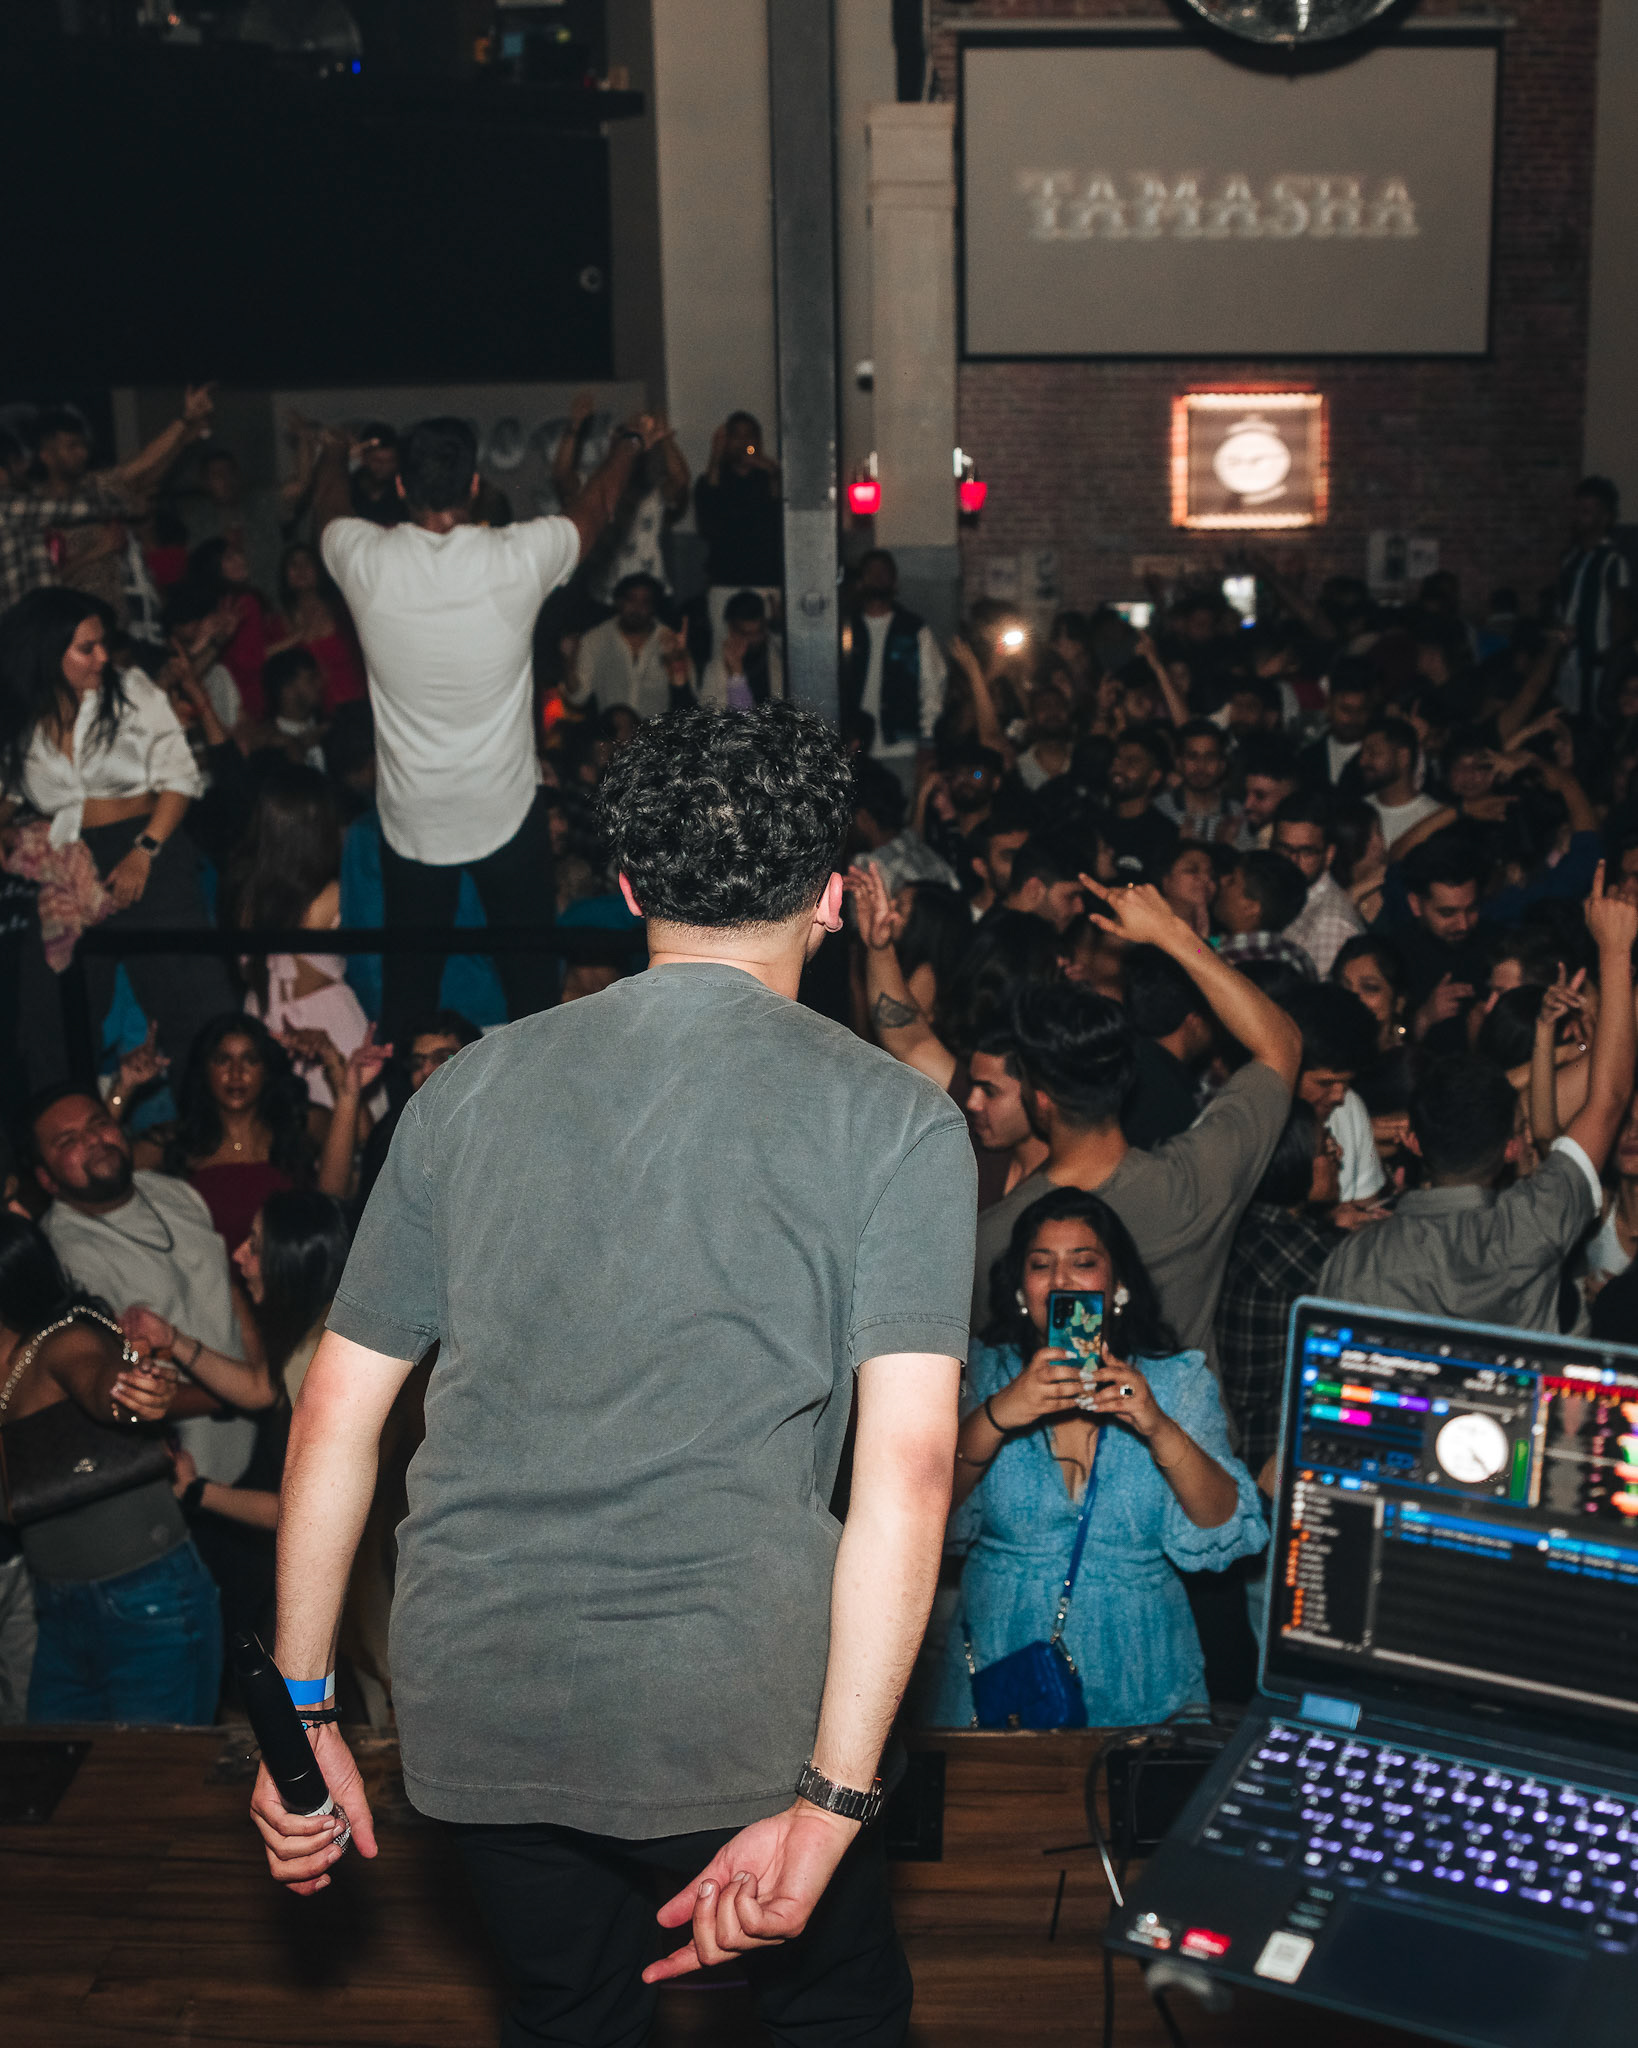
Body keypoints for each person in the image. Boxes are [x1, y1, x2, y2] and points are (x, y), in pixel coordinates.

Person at [250, 704, 975, 2042]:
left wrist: (304, 1714)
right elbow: (913, 1475)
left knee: (568, 2010)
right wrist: (832, 1805)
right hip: (737, 1704)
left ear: (631, 889)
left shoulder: (463, 1091)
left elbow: (333, 1417)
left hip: (481, 1693)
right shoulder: (899, 1120)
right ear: (831, 898)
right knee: (832, 2015)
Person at [316, 413, 667, 1049]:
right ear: (475, 485)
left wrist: (336, 452)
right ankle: (539, 1103)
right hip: (506, 814)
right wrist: (630, 443)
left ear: (401, 487)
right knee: (531, 991)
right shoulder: (515, 558)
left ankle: (404, 1103)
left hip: (413, 820)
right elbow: (598, 505)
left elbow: (330, 512)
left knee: (409, 996)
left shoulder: (363, 558)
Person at [933, 1188, 1266, 1728]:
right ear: (1021, 1289)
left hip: (1143, 1672)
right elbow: (926, 1511)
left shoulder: (1177, 1382)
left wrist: (1157, 1425)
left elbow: (1223, 1525)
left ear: (1119, 1285)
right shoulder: (981, 1375)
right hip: (1001, 1670)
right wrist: (997, 1415)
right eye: (1041, 1264)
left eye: (1083, 1262)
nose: (1061, 1280)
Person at [971, 883, 1302, 1375]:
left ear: (1039, 1100)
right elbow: (1282, 1044)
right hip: (1185, 1424)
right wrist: (1175, 936)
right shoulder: (1195, 1183)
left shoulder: (996, 1238)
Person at [1320, 864, 1638, 1327]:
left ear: (1413, 1141)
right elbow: (1608, 1101)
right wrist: (1615, 948)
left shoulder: (1355, 1257)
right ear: (1512, 1147)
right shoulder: (1534, 1221)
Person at [0, 588, 235, 1083]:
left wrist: (143, 851)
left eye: (103, 643)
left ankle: (216, 1121)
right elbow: (16, 790)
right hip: (69, 863)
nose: (102, 657)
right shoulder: (23, 714)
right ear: (47, 653)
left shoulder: (131, 691)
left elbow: (180, 777)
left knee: (193, 1006)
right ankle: (70, 1117)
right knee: (53, 1018)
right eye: (87, 648)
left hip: (148, 845)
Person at [0, 1212, 220, 1724]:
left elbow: (101, 1380)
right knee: (62, 1770)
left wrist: (132, 1393)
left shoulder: (60, 1342)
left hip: (147, 1601)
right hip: (57, 1611)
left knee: (157, 1773)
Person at [123, 1191, 350, 1651]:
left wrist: (196, 1491)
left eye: (255, 1245)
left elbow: (300, 1513)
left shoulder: (318, 1362)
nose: (238, 1254)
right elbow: (260, 1388)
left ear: (290, 1265)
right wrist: (171, 1339)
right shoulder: (321, 1326)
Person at [30, 1085, 258, 1486]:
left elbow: (229, 1289)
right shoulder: (60, 1257)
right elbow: (117, 1382)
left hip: (260, 1429)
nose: (93, 1140)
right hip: (188, 1473)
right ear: (46, 1179)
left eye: (98, 1123)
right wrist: (240, 1394)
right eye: (68, 1141)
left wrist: (261, 1377)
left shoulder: (173, 1191)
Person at [1216, 1103, 1345, 1477]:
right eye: (1325, 1147)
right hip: (1269, 1445)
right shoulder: (1296, 1249)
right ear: (1291, 1163)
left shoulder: (1242, 1225)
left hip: (1235, 1436)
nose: (1338, 1154)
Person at [28, 391, 216, 620]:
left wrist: (183, 430)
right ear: (47, 456)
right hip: (71, 623)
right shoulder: (32, 508)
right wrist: (99, 550)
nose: (82, 453)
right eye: (72, 446)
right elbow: (39, 584)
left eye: (83, 445)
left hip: (116, 617)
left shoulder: (93, 486)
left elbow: (143, 467)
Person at [553, 391, 691, 604]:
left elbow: (680, 479)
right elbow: (562, 476)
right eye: (625, 439)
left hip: (649, 596)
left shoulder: (652, 495)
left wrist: (664, 438)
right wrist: (574, 429)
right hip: (605, 596)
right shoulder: (594, 489)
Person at [353, 1009, 483, 1214]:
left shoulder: (492, 1124)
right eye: (417, 1063)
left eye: (442, 1058)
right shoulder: (395, 1132)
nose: (426, 1071)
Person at [840, 550, 947, 785]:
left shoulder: (914, 629)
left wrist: (928, 739)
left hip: (902, 747)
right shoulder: (845, 630)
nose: (878, 578)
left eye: (884, 572)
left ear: (894, 582)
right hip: (854, 747)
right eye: (871, 572)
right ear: (860, 582)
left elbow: (932, 684)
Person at [694, 411, 783, 650]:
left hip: (766, 579)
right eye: (736, 436)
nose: (743, 442)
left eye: (749, 435)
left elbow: (779, 521)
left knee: (772, 651)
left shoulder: (769, 476)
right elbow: (707, 524)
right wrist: (715, 456)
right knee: (723, 649)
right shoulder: (713, 479)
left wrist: (772, 473)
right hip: (725, 580)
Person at [567, 572, 689, 721]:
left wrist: (676, 660)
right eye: (631, 600)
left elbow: (687, 700)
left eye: (645, 602)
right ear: (619, 602)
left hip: (657, 733)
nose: (637, 608)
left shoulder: (669, 639)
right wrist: (569, 660)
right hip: (611, 733)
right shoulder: (596, 639)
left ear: (653, 607)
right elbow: (578, 698)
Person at [1557, 476, 1630, 717]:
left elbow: (1620, 615)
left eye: (1586, 512)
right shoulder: (1571, 559)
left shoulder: (1613, 561)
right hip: (1569, 660)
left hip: (1597, 663)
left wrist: (1612, 662)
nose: (1579, 517)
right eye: (1577, 510)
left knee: (1593, 720)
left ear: (1605, 518)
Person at [1272, 791, 1366, 977]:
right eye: (1284, 849)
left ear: (1329, 855)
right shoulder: (1278, 893)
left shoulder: (1331, 925)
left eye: (1306, 852)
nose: (1292, 860)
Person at [268, 542, 368, 710]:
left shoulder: (342, 612)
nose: (301, 569)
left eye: (307, 562)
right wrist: (296, 638)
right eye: (293, 564)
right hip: (308, 715)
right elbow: (261, 660)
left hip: (355, 706)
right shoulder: (276, 622)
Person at [1099, 728, 1179, 880]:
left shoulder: (1164, 835)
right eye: (1116, 760)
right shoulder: (1094, 823)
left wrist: (1112, 879)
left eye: (1131, 762)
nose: (1118, 768)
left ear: (1153, 777)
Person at [1358, 715, 1444, 854]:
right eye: (1362, 754)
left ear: (1403, 757)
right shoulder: (1358, 811)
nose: (1362, 761)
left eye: (1373, 753)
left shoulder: (1435, 817)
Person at [1155, 719, 1242, 844]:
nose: (1201, 766)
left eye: (1210, 757)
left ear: (1222, 765)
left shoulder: (1236, 815)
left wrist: (1225, 847)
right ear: (1178, 763)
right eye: (1192, 757)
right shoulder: (1160, 809)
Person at [697, 589, 784, 711]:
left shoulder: (779, 657)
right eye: (746, 634)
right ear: (731, 629)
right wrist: (736, 676)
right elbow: (711, 714)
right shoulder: (715, 670)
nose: (753, 640)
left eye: (758, 632)